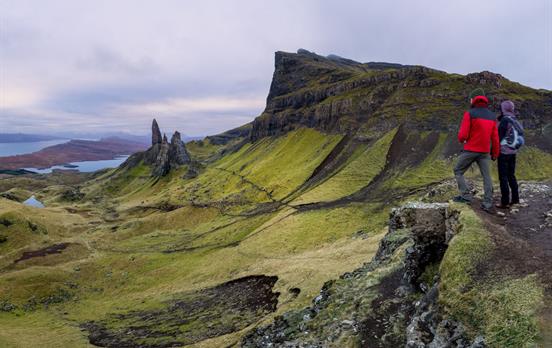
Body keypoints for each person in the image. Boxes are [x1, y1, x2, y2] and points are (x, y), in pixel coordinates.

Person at [453, 88, 500, 211]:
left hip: (470, 149)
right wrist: (495, 153)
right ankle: (488, 203)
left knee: (458, 170)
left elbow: (463, 135)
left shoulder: (470, 113)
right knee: (486, 176)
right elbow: (495, 138)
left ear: (473, 99)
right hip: (484, 152)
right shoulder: (492, 116)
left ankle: (466, 196)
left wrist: (462, 140)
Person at [496, 100, 522, 208]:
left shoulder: (505, 120)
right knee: (511, 175)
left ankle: (505, 202)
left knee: (503, 177)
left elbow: (499, 138)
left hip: (504, 153)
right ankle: (515, 199)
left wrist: (494, 151)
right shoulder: (514, 120)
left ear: (503, 109)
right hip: (513, 152)